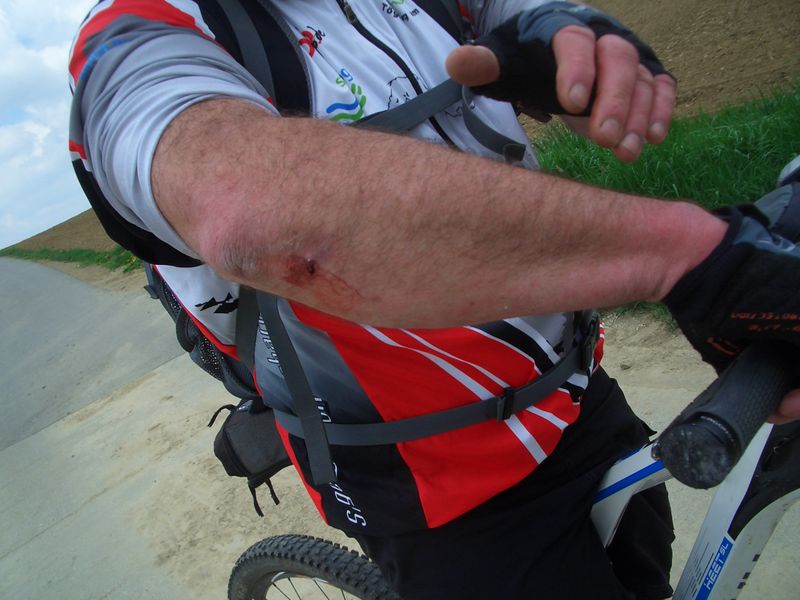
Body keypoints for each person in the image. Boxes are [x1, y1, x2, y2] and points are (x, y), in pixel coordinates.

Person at [68, 1, 800, 598]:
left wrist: (562, 35)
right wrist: (687, 258)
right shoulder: (135, 41)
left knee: (648, 571)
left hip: (572, 390)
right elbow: (260, 216)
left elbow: (506, 10)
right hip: (432, 487)